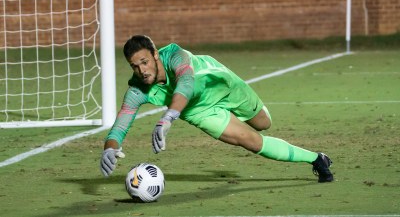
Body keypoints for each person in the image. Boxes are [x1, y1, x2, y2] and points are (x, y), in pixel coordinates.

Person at [100, 35, 334, 183]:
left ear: (155, 55)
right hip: (199, 111)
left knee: (264, 124)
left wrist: (168, 117)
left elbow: (186, 84)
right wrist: (110, 148)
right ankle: (317, 159)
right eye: (135, 66)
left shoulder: (174, 55)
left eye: (144, 62)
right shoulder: (137, 88)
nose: (141, 70)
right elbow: (122, 121)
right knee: (252, 142)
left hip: (222, 84)